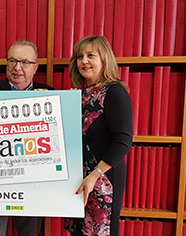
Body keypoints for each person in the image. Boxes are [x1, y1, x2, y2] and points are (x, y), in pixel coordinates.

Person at [0, 39, 53, 236]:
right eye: (12, 61)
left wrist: (53, 106)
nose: (17, 68)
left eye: (25, 62)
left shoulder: (50, 96)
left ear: (35, 67)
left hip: (33, 182)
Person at [64, 35, 133, 236]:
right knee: (79, 230)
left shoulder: (115, 92)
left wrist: (94, 175)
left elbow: (123, 141)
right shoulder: (79, 94)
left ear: (104, 59)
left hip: (103, 178)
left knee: (98, 230)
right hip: (79, 177)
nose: (83, 61)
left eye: (90, 55)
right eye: (79, 56)